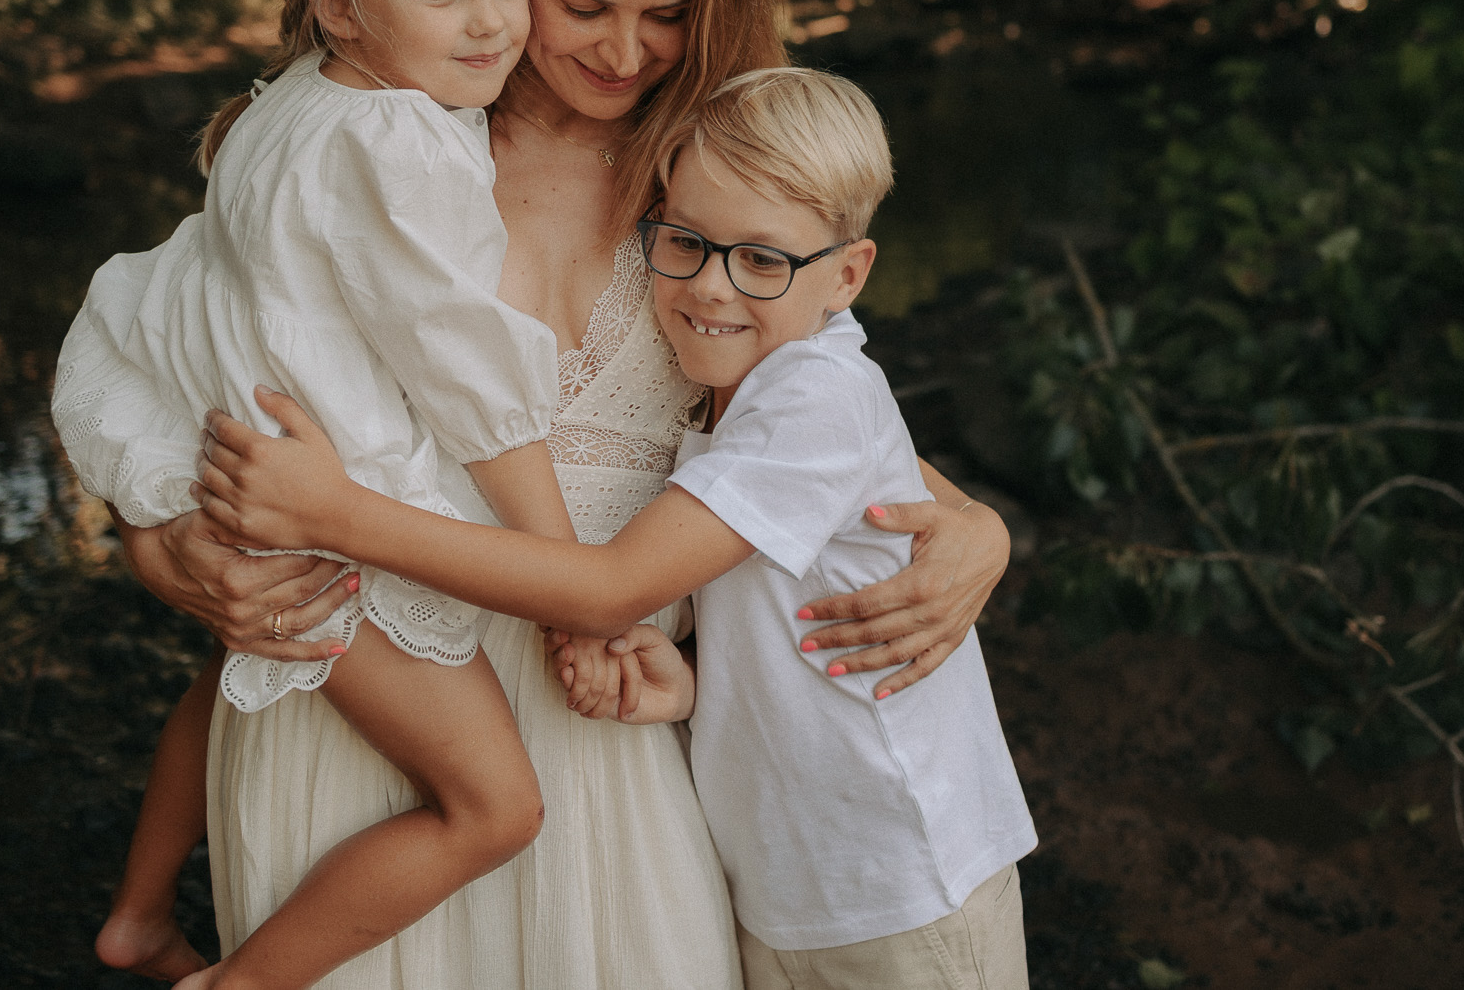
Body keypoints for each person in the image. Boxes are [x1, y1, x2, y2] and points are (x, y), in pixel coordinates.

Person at [58, 0, 1013, 990]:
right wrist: (162, 545)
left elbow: (800, 410)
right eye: (581, 1)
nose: (623, 51)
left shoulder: (716, 173)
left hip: (605, 721)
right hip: (369, 717)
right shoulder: (378, 143)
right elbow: (158, 346)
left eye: (667, 13)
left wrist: (973, 521)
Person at [189, 67, 1037, 990]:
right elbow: (791, 612)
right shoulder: (752, 386)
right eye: (686, 242)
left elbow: (609, 588)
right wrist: (697, 685)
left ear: (849, 273)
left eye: (762, 261)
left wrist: (337, 516)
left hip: (902, 880)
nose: (711, 287)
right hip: (796, 880)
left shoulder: (816, 399)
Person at [54, 0, 570, 988]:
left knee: (227, 671)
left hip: (243, 458)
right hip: (334, 528)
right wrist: (566, 582)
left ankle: (137, 915)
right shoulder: (400, 143)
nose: (489, 18)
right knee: (494, 805)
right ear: (339, 3)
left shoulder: (290, 102)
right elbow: (468, 375)